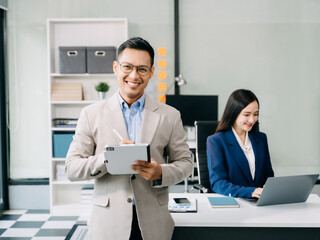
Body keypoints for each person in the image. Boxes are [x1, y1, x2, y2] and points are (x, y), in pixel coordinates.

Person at [65, 37, 193, 240]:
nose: (134, 75)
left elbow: (186, 163)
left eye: (142, 69)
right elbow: (72, 168)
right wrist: (108, 158)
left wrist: (161, 172)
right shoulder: (91, 114)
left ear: (151, 72)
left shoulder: (169, 115)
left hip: (154, 223)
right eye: (127, 67)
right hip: (108, 224)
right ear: (116, 67)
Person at [207, 89, 274, 199]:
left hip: (260, 202)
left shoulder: (261, 138)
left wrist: (269, 188)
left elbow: (268, 175)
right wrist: (250, 192)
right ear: (234, 113)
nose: (252, 120)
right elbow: (218, 183)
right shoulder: (216, 141)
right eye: (246, 114)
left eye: (256, 114)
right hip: (233, 203)